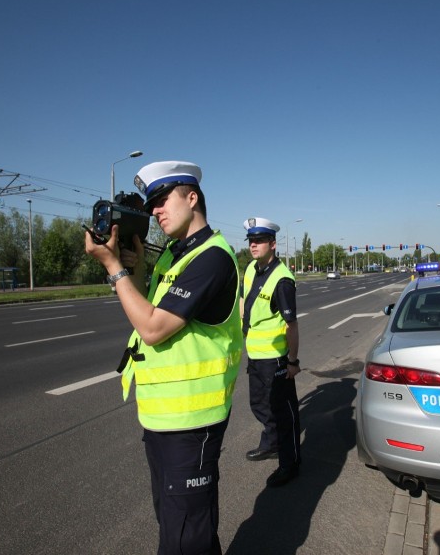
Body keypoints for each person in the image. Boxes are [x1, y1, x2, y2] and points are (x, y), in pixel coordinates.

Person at [85, 160, 242, 555]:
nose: (154, 210)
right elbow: (145, 310)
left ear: (193, 198)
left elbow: (153, 328)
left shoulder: (212, 257)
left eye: (162, 199)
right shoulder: (175, 254)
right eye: (151, 203)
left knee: (185, 535)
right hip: (162, 419)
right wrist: (130, 268)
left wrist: (113, 267)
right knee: (179, 523)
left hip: (193, 421)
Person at [241, 217, 302, 487]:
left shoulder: (282, 279)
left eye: (259, 241)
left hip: (276, 357)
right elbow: (245, 300)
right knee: (259, 404)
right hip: (255, 355)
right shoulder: (252, 269)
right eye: (251, 241)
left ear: (273, 244)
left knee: (283, 411)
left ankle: (290, 462)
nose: (254, 245)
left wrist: (292, 362)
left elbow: (292, 325)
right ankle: (271, 444)